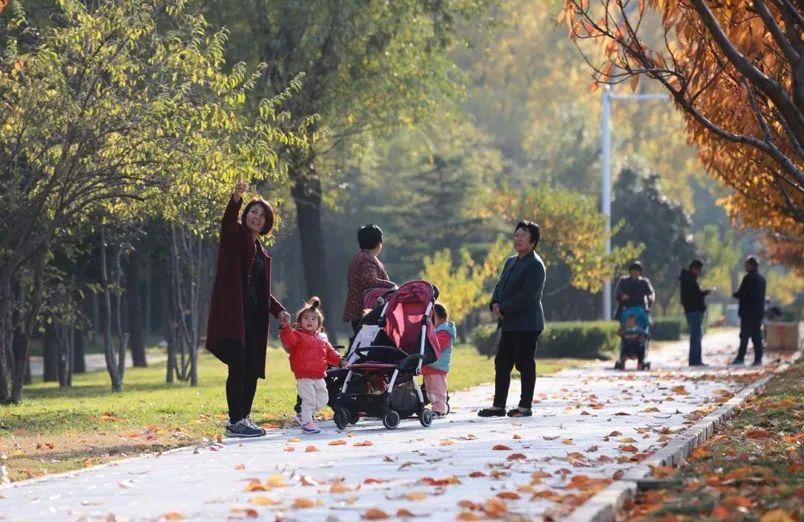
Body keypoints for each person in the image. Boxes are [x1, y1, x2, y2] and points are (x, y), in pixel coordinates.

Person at [205, 180, 291, 438]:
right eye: (253, 212)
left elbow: (262, 291)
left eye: (262, 215)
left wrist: (279, 311)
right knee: (239, 364)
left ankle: (244, 417)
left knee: (252, 367)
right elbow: (227, 224)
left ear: (267, 224)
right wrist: (236, 198)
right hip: (234, 316)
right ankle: (235, 421)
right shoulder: (235, 238)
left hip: (254, 318)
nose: (257, 217)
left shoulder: (262, 253)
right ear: (245, 215)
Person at [478, 221, 546, 418]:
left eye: (523, 236)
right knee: (502, 363)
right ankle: (498, 406)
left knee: (525, 364)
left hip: (527, 323)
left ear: (533, 242)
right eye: (516, 235)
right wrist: (494, 304)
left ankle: (525, 406)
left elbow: (528, 295)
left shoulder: (535, 265)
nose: (518, 239)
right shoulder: (510, 262)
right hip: (509, 323)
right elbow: (500, 286)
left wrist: (504, 308)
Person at [280, 297, 342, 434]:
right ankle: (307, 422)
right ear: (300, 322)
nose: (309, 321)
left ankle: (303, 415)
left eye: (313, 319)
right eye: (306, 318)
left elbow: (330, 352)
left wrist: (340, 360)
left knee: (323, 399)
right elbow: (288, 341)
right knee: (308, 399)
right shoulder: (297, 335)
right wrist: (285, 328)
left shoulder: (322, 338)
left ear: (319, 324)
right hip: (304, 375)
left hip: (319, 375)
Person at [342, 224, 396, 334]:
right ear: (378, 243)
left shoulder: (361, 257)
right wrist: (392, 286)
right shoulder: (367, 259)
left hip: (359, 311)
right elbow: (370, 280)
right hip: (365, 311)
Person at [421, 303, 455, 417]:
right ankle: (437, 405)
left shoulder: (444, 331)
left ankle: (439, 409)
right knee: (430, 390)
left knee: (437, 389)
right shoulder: (435, 330)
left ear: (442, 318)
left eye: (432, 317)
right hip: (430, 367)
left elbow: (438, 345)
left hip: (437, 367)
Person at [732, 256, 766, 366]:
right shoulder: (761, 279)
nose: (745, 267)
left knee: (744, 335)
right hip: (758, 311)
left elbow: (743, 293)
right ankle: (758, 358)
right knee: (757, 335)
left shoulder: (748, 278)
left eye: (747, 265)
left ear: (752, 265)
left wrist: (735, 295)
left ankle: (741, 357)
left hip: (748, 312)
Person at [679, 259, 712, 367]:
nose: (699, 272)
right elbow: (693, 296)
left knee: (697, 336)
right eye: (699, 270)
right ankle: (694, 360)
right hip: (694, 311)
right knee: (695, 336)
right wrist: (704, 293)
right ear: (694, 268)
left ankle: (697, 359)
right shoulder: (689, 280)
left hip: (693, 310)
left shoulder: (689, 279)